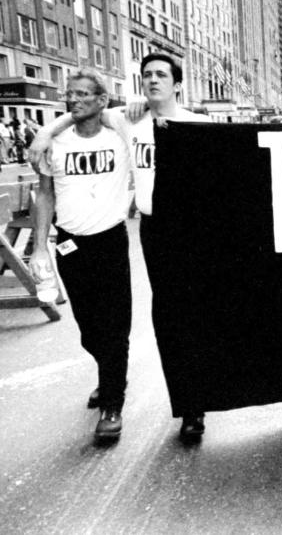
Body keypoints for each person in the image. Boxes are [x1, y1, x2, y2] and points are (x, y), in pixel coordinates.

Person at [30, 52, 212, 442]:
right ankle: (113, 375)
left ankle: (179, 406)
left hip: (186, 231)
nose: (152, 80)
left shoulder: (200, 125)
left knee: (185, 318)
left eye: (161, 74)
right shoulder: (127, 123)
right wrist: (45, 132)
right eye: (146, 75)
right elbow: (81, 114)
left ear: (178, 83)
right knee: (111, 327)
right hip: (143, 231)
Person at [31, 70, 133, 441]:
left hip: (110, 241)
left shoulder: (119, 137)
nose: (72, 100)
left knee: (115, 326)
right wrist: (40, 246)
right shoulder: (55, 144)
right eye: (69, 94)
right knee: (88, 329)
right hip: (70, 244)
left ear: (102, 101)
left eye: (82, 95)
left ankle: (112, 403)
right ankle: (111, 374)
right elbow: (45, 195)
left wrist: (47, 128)